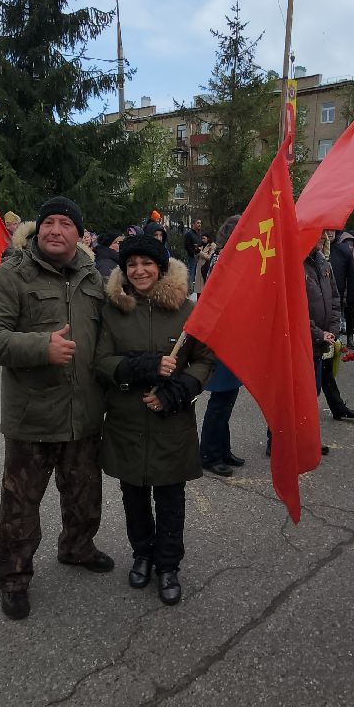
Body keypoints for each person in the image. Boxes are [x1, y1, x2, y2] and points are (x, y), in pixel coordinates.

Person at [0, 196, 113, 621]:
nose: (55, 230)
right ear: (36, 231)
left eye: (65, 224)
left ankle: (76, 547)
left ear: (78, 234)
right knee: (21, 503)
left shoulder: (94, 279)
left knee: (85, 495)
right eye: (48, 222)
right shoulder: (11, 275)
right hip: (32, 416)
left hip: (84, 414)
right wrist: (40, 347)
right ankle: (14, 578)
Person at [95, 235, 214, 605]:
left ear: (161, 268)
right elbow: (101, 362)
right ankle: (142, 554)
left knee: (170, 498)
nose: (139, 270)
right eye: (132, 265)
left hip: (171, 424)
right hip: (127, 423)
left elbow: (206, 359)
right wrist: (142, 367)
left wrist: (175, 391)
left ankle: (168, 564)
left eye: (147, 263)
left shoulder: (187, 310)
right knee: (133, 496)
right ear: (124, 270)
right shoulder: (113, 310)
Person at [199, 217, 245, 476]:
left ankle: (222, 448)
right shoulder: (225, 260)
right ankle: (208, 453)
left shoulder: (231, 259)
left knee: (228, 396)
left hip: (233, 337)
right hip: (223, 338)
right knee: (221, 399)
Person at [304, 232, 342, 454]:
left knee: (313, 391)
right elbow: (292, 309)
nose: (323, 238)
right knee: (293, 395)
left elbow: (335, 299)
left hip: (319, 343)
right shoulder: (294, 263)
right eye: (317, 235)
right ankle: (280, 441)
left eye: (323, 236)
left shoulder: (322, 262)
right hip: (301, 342)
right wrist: (318, 333)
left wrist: (333, 330)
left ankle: (307, 439)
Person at [195, 234, 216, 298]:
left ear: (208, 238)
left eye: (204, 238)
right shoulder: (201, 245)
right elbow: (197, 258)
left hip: (206, 267)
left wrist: (200, 252)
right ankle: (199, 302)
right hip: (199, 267)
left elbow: (210, 257)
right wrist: (196, 252)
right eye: (202, 238)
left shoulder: (212, 245)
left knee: (206, 286)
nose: (202, 240)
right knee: (199, 288)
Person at [183, 219, 202, 289]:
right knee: (191, 273)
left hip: (199, 257)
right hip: (192, 257)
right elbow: (187, 246)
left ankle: (195, 288)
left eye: (200, 223)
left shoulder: (199, 234)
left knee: (197, 274)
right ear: (194, 224)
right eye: (198, 223)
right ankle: (189, 289)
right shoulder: (189, 234)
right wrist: (193, 252)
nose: (199, 224)